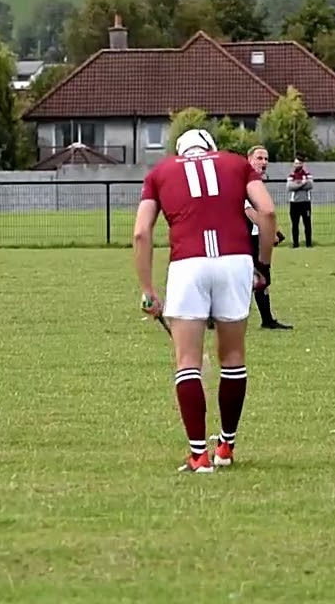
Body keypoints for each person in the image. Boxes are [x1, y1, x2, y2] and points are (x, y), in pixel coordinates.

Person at [134, 128, 277, 474]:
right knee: (232, 357)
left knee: (187, 361)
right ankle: (226, 446)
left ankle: (198, 454)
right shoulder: (237, 164)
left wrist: (148, 288)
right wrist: (263, 266)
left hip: (187, 265)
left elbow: (141, 232)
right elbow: (269, 213)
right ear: (212, 147)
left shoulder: (159, 173)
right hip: (235, 262)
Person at [245, 146, 292, 331]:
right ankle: (215, 316)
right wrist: (269, 232)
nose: (264, 162)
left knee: (261, 277)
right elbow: (248, 210)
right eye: (259, 158)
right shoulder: (244, 182)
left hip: (257, 237)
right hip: (243, 237)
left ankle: (267, 319)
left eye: (266, 158)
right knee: (245, 278)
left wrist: (274, 230)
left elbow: (264, 211)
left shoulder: (257, 182)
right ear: (249, 159)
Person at [286, 158, 314, 248]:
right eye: (295, 163)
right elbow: (290, 187)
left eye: (299, 163)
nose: (297, 165)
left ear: (302, 164)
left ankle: (309, 244)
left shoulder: (308, 175)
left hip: (305, 203)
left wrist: (297, 185)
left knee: (307, 224)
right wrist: (302, 183)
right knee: (295, 224)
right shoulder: (291, 175)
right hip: (294, 203)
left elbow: (310, 185)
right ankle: (295, 244)